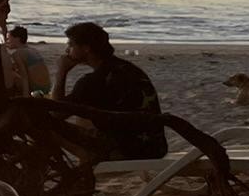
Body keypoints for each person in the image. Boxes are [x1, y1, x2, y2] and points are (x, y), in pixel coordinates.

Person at [53, 22, 165, 161]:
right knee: (83, 117)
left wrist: (61, 72)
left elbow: (55, 113)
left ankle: (86, 166)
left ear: (86, 48)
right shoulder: (128, 68)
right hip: (155, 146)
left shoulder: (93, 81)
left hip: (129, 151)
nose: (67, 50)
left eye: (70, 45)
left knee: (44, 125)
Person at [6, 25, 50, 95]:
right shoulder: (33, 50)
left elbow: (24, 76)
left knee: (10, 74)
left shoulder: (17, 54)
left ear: (17, 39)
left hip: (35, 90)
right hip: (46, 88)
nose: (7, 41)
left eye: (8, 39)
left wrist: (26, 95)